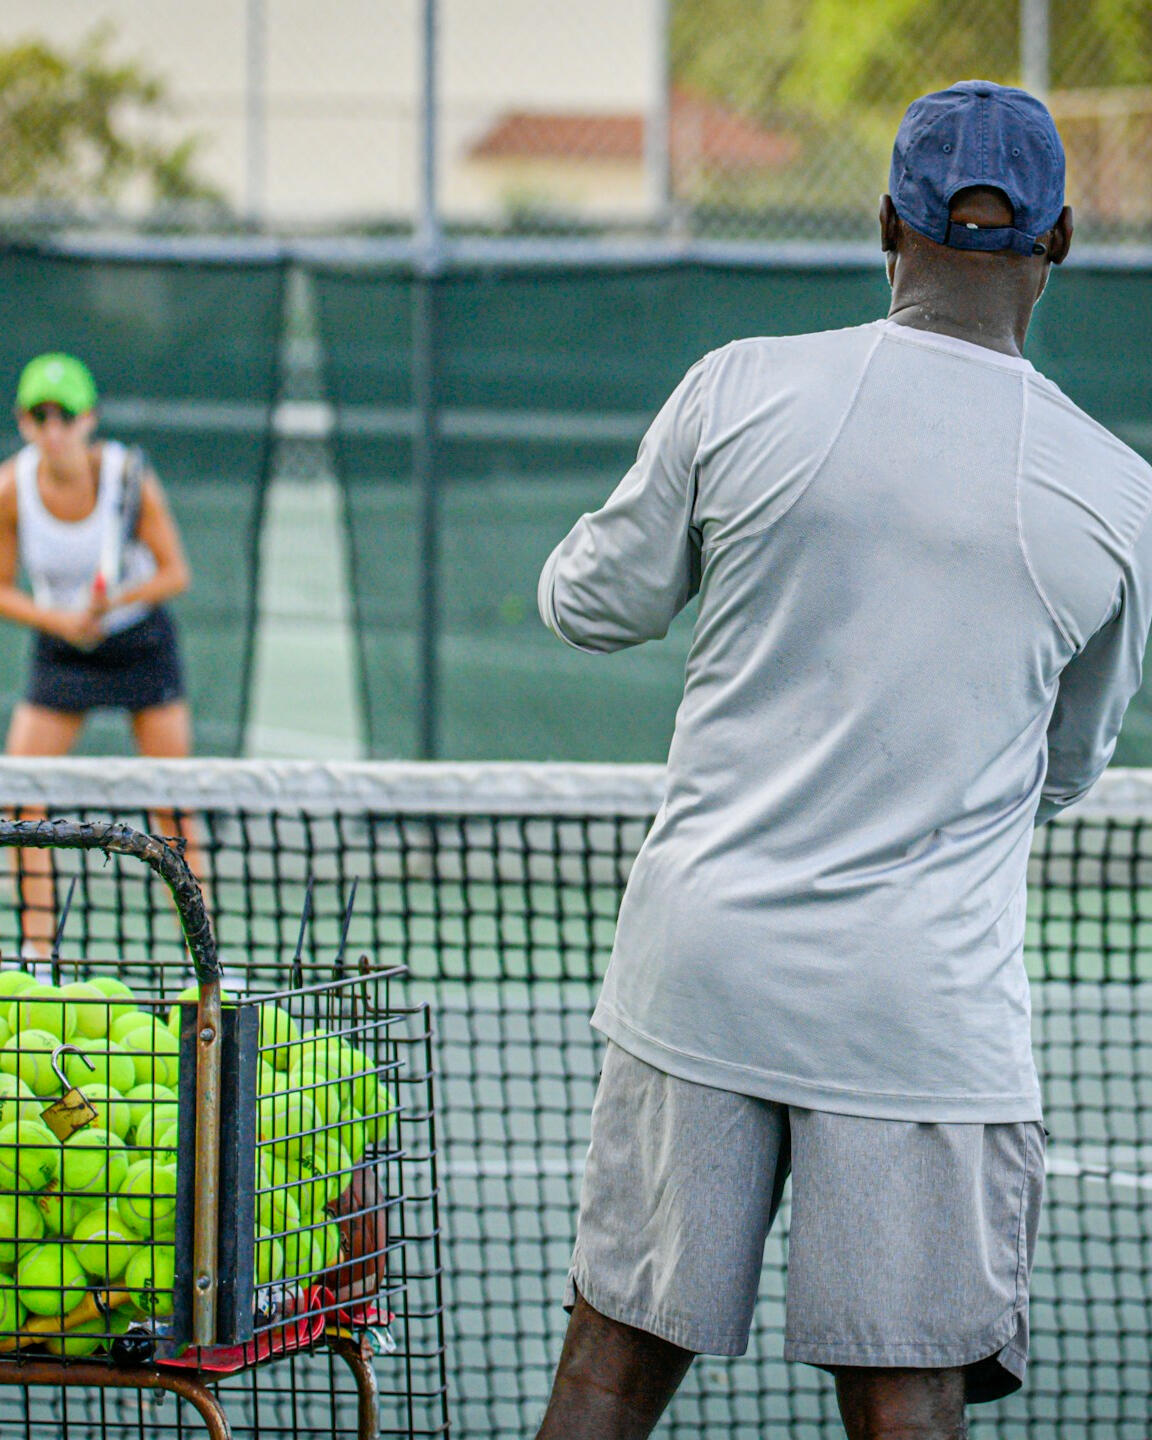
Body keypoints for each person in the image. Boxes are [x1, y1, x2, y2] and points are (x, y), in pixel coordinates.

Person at [534, 81, 1152, 1440]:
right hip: (921, 1011)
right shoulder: (1118, 496)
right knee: (905, 1400)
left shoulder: (737, 387)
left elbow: (593, 603)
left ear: (885, 224)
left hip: (703, 970)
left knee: (609, 1365)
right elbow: (1065, 767)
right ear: (1059, 242)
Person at [0, 352, 195, 962]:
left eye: (66, 416)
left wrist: (116, 601)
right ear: (24, 422)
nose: (54, 430)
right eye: (40, 417)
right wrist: (61, 619)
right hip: (63, 649)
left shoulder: (127, 477)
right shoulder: (10, 489)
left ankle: (207, 960)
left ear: (89, 419)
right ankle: (38, 954)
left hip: (139, 644)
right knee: (20, 798)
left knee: (174, 804)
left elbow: (175, 572)